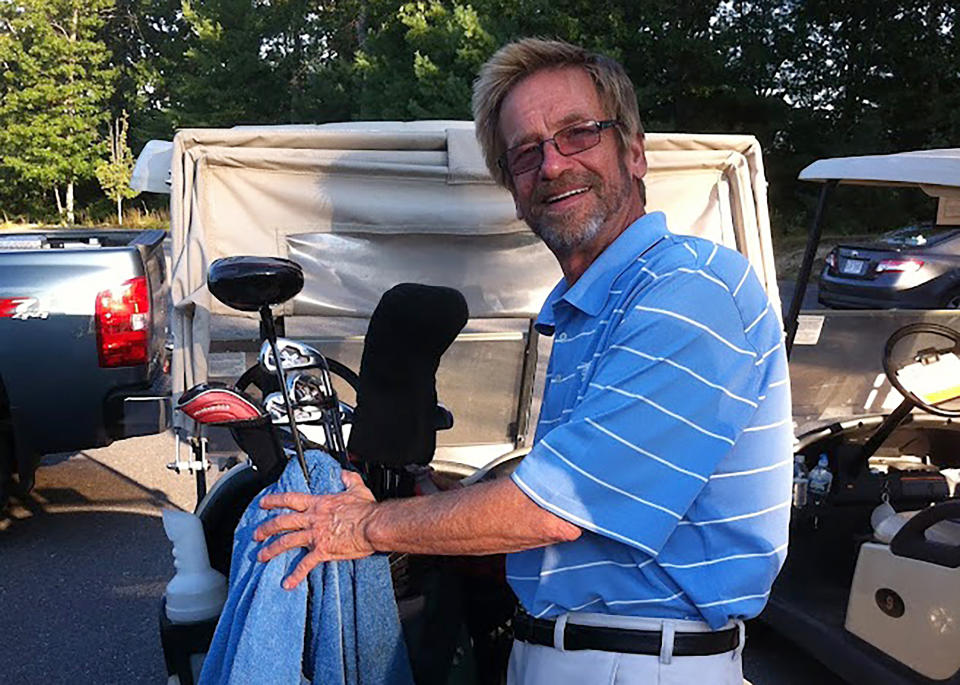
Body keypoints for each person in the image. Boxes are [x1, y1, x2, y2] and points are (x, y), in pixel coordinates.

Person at [253, 38, 792, 684]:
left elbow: (555, 508)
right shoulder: (589, 308)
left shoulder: (690, 292)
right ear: (513, 187)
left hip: (642, 663)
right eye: (526, 153)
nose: (554, 164)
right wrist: (443, 500)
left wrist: (367, 525)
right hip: (565, 654)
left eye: (577, 134)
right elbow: (569, 495)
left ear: (635, 149)